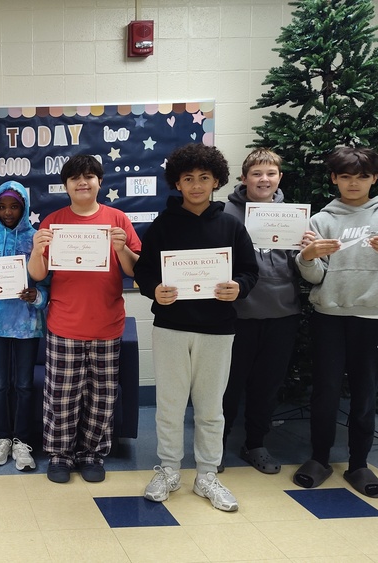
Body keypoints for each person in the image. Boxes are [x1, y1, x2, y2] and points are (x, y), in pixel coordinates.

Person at [292, 146, 378, 498]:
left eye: (362, 176)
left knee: (365, 392)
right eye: (346, 176)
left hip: (375, 317)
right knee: (325, 391)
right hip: (329, 318)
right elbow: (314, 276)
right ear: (334, 178)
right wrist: (307, 257)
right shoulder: (321, 220)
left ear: (374, 178)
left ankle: (359, 464)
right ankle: (319, 459)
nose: (354, 183)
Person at [134, 144, 259, 512]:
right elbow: (144, 271)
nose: (197, 185)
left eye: (204, 178)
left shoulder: (231, 225)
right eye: (188, 179)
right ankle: (169, 470)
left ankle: (207, 474)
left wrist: (239, 287)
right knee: (169, 406)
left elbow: (250, 271)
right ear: (177, 183)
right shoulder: (162, 225)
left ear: (216, 181)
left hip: (218, 329)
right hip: (171, 328)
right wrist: (154, 289)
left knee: (210, 408)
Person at [29, 155, 141, 484]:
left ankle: (92, 454)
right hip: (64, 325)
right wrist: (36, 249)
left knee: (101, 397)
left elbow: (135, 270)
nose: (82, 182)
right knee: (61, 397)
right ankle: (60, 455)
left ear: (99, 182)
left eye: (89, 176)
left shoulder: (117, 219)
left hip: (107, 326)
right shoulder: (53, 222)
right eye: (75, 178)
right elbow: (38, 275)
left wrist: (122, 249)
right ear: (65, 186)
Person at [221, 149, 315, 474]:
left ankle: (255, 444)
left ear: (279, 177)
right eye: (257, 173)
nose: (264, 179)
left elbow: (301, 268)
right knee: (228, 386)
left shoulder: (294, 217)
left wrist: (308, 251)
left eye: (271, 173)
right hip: (237, 316)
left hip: (282, 314)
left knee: (267, 386)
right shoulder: (226, 214)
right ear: (244, 178)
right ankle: (215, 446)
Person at [0, 181, 47, 472]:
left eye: (14, 206)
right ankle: (3, 437)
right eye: (2, 207)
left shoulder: (35, 239)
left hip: (27, 325)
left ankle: (22, 440)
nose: (8, 212)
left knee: (23, 385)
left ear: (25, 208)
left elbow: (47, 284)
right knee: (0, 385)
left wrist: (37, 296)